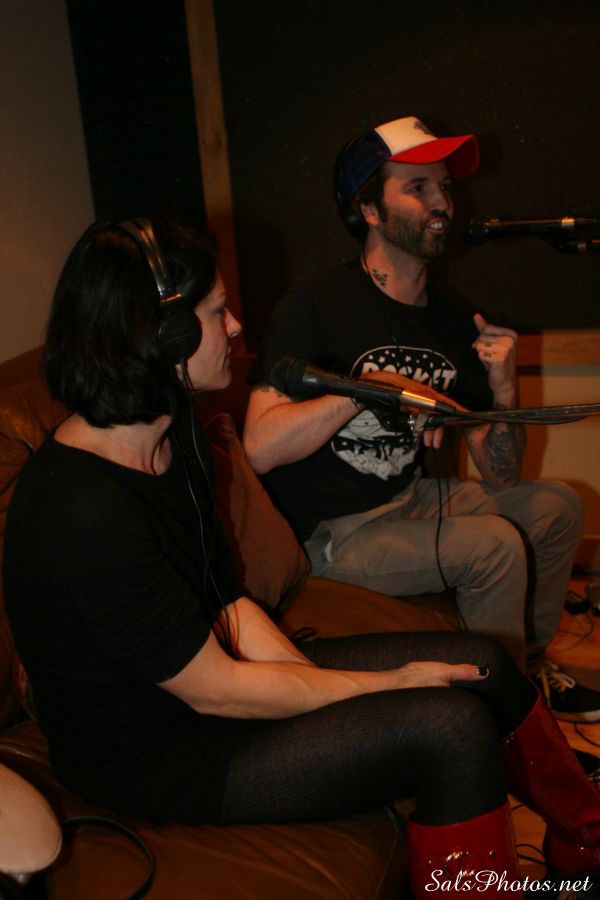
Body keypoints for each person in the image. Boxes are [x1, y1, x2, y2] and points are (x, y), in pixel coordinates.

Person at [4, 214, 599, 898]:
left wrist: (315, 685)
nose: (235, 327)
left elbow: (228, 600)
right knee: (452, 726)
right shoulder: (82, 508)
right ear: (163, 336)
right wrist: (383, 686)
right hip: (156, 754)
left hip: (204, 690)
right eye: (217, 312)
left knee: (482, 663)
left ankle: (586, 840)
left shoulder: (174, 434)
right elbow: (216, 689)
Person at [243, 115, 599, 723]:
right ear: (369, 209)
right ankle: (507, 720)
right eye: (418, 187)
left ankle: (531, 667)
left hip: (406, 499)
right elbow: (259, 446)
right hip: (330, 533)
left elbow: (501, 475)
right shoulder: (314, 308)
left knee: (557, 508)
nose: (443, 204)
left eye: (445, 188)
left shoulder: (453, 325)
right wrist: (369, 391)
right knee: (494, 547)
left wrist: (505, 390)